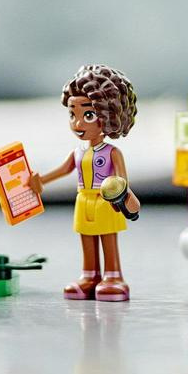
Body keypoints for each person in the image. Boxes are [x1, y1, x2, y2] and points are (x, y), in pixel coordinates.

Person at [32, 64, 139, 302]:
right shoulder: (78, 151)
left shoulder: (112, 152)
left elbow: (122, 180)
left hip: (106, 201)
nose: (78, 124)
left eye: (88, 115)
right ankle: (90, 275)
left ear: (109, 116)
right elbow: (64, 169)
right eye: (73, 115)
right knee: (86, 238)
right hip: (83, 200)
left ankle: (113, 276)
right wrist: (41, 181)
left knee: (108, 238)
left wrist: (125, 197)